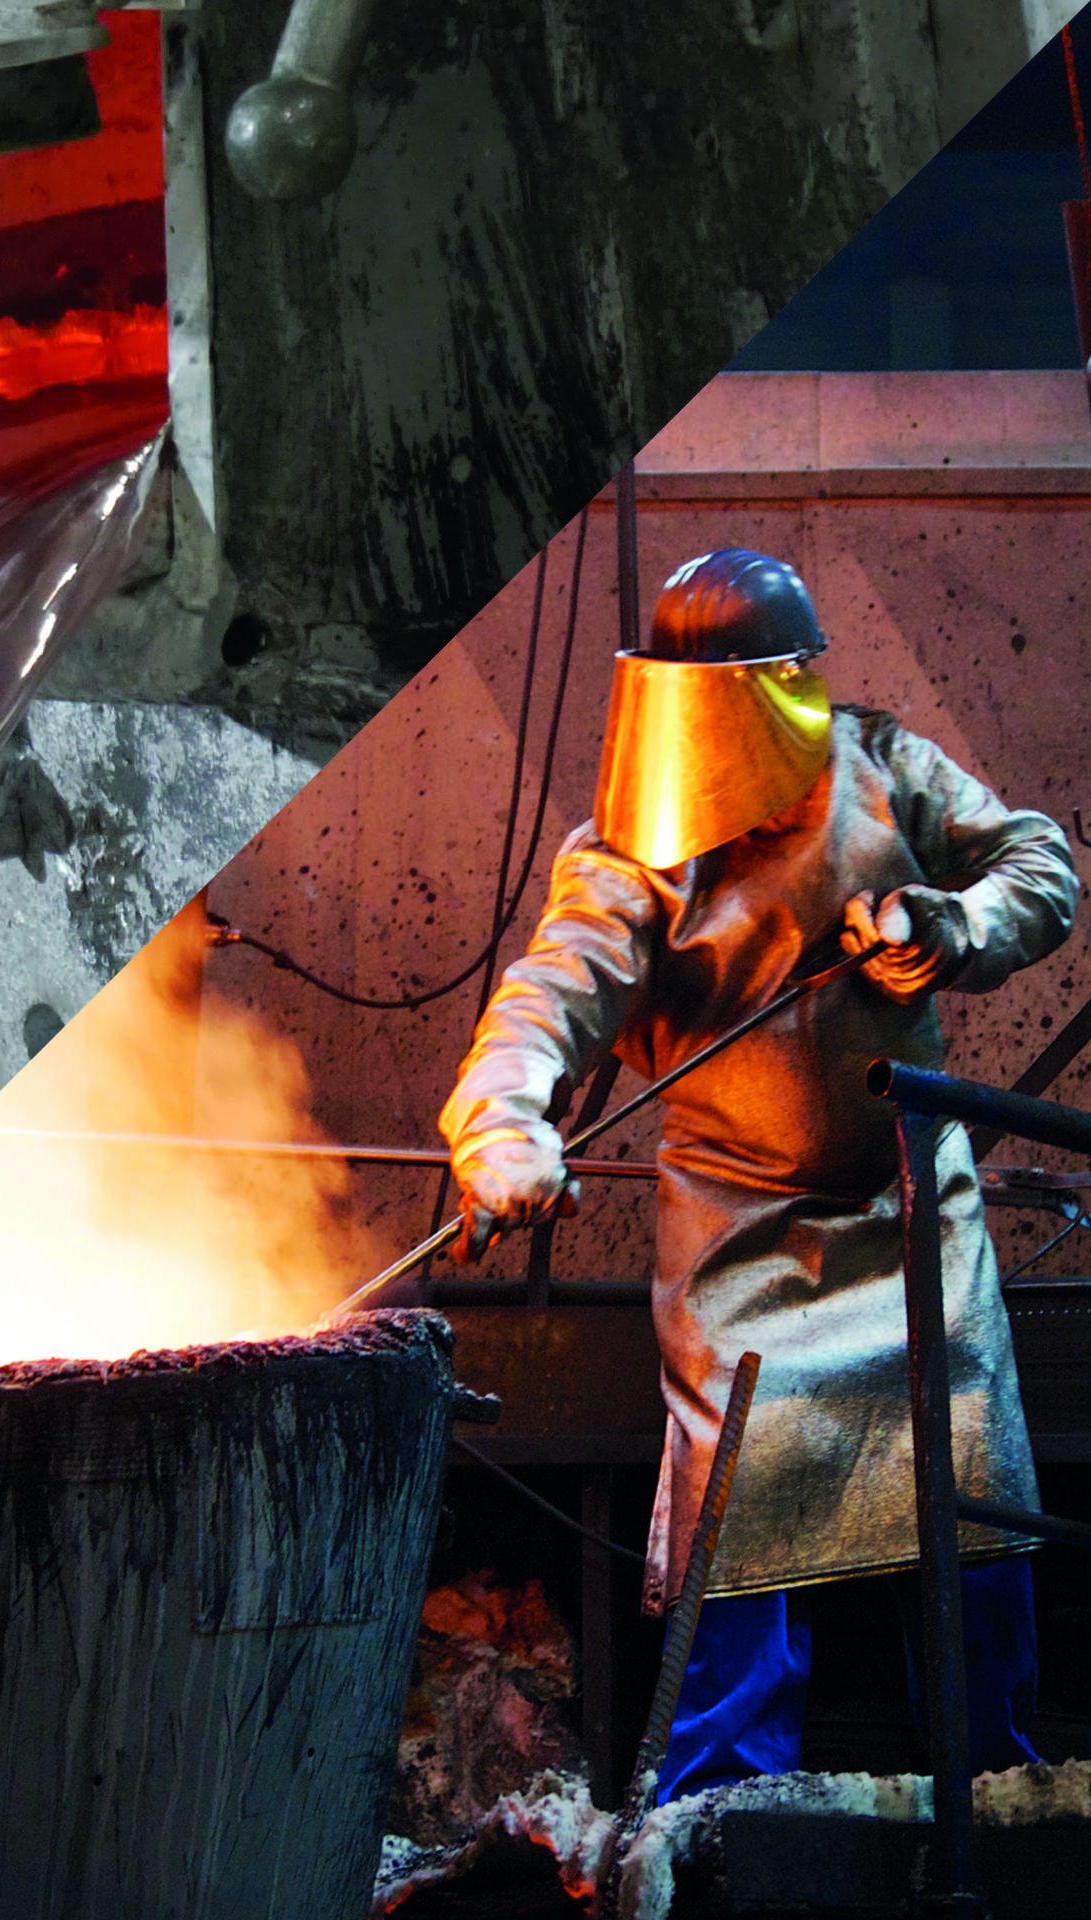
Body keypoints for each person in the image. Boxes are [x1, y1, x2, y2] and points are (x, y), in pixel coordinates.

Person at [440, 548, 1078, 1800]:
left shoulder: (885, 768)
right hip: (744, 1245)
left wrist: (955, 928)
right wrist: (503, 1124)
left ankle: (994, 1801)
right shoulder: (635, 852)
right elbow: (546, 1003)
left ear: (787, 690)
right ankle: (720, 1828)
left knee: (976, 1530)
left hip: (915, 1224)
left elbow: (1040, 866)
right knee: (741, 1551)